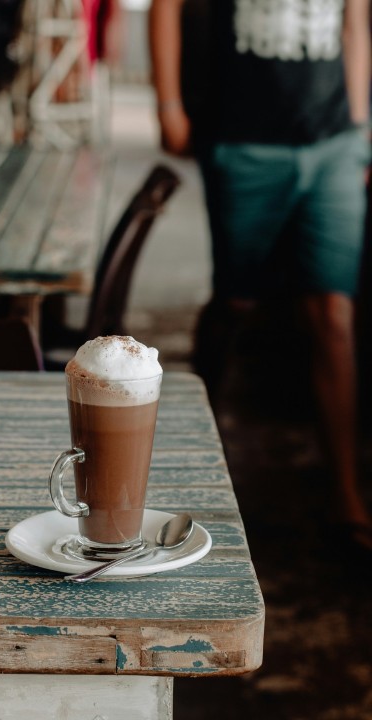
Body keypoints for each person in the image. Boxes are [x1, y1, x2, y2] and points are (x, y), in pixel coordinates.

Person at [149, 0, 372, 555]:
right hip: (243, 143)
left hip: (335, 143)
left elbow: (355, 23)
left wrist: (360, 121)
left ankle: (345, 494)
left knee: (333, 314)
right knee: (235, 304)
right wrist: (169, 107)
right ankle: (197, 440)